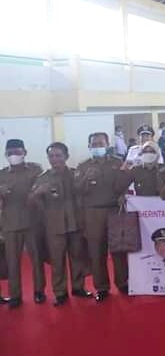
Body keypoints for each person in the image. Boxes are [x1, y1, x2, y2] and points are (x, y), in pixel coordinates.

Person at [29, 142, 91, 306]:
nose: (54, 159)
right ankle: (60, 292)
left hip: (75, 223)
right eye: (51, 156)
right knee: (57, 261)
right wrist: (38, 192)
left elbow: (85, 193)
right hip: (54, 226)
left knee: (77, 258)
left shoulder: (75, 174)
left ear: (66, 156)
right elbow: (30, 202)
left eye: (58, 155)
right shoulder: (42, 178)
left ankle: (78, 288)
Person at [74, 132, 130, 301]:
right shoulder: (83, 166)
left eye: (101, 143)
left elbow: (124, 185)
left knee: (118, 250)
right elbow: (77, 190)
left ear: (107, 145)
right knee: (96, 251)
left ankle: (123, 283)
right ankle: (102, 287)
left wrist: (124, 188)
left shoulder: (117, 163)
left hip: (114, 210)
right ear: (89, 146)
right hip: (92, 213)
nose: (98, 146)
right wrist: (85, 179)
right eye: (94, 144)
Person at [0, 139, 45, 308]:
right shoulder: (1, 174)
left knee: (36, 260)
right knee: (12, 262)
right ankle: (15, 295)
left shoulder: (35, 169)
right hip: (10, 224)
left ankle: (39, 291)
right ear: (5, 155)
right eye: (10, 153)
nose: (14, 156)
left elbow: (40, 191)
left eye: (17, 152)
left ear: (25, 152)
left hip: (32, 222)